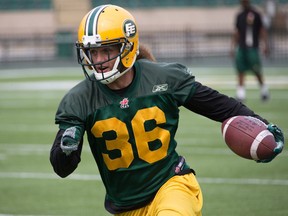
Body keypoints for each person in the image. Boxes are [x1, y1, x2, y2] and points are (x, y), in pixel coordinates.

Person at [50, 5, 284, 216]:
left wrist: (260, 124)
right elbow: (62, 169)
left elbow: (220, 106)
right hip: (125, 207)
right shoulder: (79, 100)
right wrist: (66, 149)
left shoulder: (162, 79)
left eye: (107, 51)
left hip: (172, 186)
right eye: (93, 52)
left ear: (128, 47)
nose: (98, 60)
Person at [231, 0, 270, 102]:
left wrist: (265, 45)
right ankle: (241, 94)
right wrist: (233, 47)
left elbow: (262, 30)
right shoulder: (239, 15)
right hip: (241, 47)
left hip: (253, 47)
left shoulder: (256, 14)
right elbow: (237, 32)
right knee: (240, 70)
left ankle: (264, 90)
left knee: (256, 70)